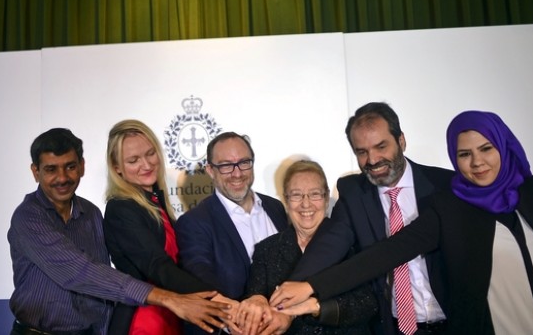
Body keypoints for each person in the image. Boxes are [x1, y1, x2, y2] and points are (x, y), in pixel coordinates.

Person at [271, 111, 533, 334]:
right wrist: (309, 287)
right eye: (464, 154)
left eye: (486, 148)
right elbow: (385, 254)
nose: (477, 162)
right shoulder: (454, 204)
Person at [8, 128, 230, 335]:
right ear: (35, 172)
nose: (63, 178)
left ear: (82, 166)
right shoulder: (28, 217)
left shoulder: (91, 213)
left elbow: (103, 284)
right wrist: (170, 299)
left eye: (70, 166)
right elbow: (81, 273)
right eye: (50, 169)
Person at [277, 102, 453, 334]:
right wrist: (293, 290)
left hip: (455, 323)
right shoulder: (353, 193)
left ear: (401, 141)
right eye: (362, 152)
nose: (372, 160)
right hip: (392, 328)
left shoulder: (446, 185)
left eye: (381, 146)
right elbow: (329, 245)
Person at [103, 120, 240, 335]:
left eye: (150, 153)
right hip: (145, 321)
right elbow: (158, 266)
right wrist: (217, 299)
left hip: (174, 313)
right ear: (117, 168)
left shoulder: (153, 200)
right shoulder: (121, 208)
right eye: (133, 160)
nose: (146, 165)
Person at [237, 160, 379, 335]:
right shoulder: (266, 249)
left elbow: (369, 304)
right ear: (286, 200)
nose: (306, 204)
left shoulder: (354, 242)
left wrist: (316, 307)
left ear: (326, 198)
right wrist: (256, 302)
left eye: (314, 194)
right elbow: (255, 295)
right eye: (296, 195)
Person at [175, 132, 288, 334]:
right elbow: (199, 278)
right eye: (226, 165)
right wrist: (234, 320)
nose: (237, 173)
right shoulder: (194, 222)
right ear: (210, 170)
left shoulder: (276, 207)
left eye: (244, 162)